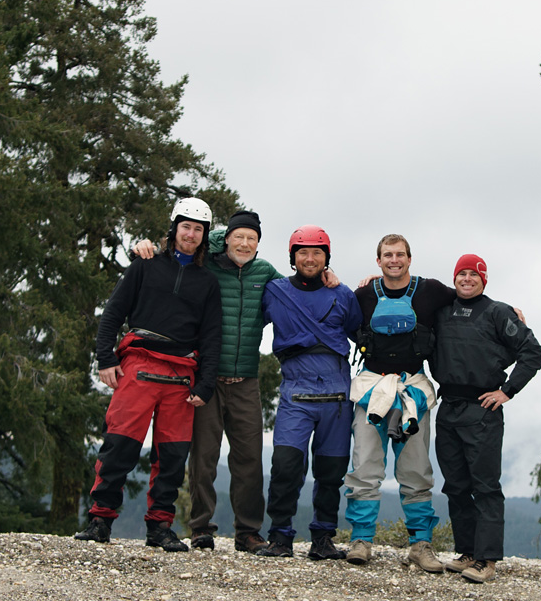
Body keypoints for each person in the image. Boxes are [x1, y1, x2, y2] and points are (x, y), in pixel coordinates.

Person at [131, 211, 342, 553]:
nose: (244, 244)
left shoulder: (267, 275)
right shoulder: (207, 265)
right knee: (204, 458)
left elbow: (300, 285)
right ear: (225, 237)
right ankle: (201, 528)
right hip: (205, 379)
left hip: (246, 379)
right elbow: (182, 248)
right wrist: (149, 246)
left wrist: (327, 275)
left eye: (252, 239)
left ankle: (248, 532)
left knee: (249, 459)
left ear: (259, 245)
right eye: (238, 237)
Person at [74, 198, 222, 552]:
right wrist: (105, 358)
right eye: (186, 226)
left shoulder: (207, 282)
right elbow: (113, 313)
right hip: (139, 365)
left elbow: (212, 336)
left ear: (204, 236)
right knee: (119, 446)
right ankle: (100, 520)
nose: (191, 234)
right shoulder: (145, 265)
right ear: (174, 228)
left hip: (182, 374)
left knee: (171, 456)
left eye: (198, 229)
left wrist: (206, 382)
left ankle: (159, 528)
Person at [344, 234, 457, 572]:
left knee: (416, 469)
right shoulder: (362, 295)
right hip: (371, 387)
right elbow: (339, 317)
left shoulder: (432, 290)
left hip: (412, 389)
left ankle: (420, 545)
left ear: (410, 258)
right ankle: (361, 540)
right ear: (378, 261)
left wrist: (508, 310)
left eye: (400, 255)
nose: (394, 260)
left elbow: (470, 299)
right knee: (364, 465)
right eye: (387, 255)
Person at [431, 254, 541, 583]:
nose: (467, 279)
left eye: (474, 274)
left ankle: (487, 560)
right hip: (448, 406)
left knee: (485, 487)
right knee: (455, 486)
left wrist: (507, 390)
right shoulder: (442, 310)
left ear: (484, 278)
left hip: (483, 409)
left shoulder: (497, 312)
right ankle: (467, 552)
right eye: (461, 274)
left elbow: (532, 352)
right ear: (454, 278)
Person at [257, 225, 362, 560]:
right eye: (303, 252)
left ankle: (323, 538)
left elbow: (363, 333)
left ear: (327, 258)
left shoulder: (342, 294)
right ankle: (280, 537)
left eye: (317, 252)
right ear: (292, 257)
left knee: (331, 472)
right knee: (286, 465)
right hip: (295, 389)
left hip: (336, 394)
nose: (310, 258)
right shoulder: (274, 291)